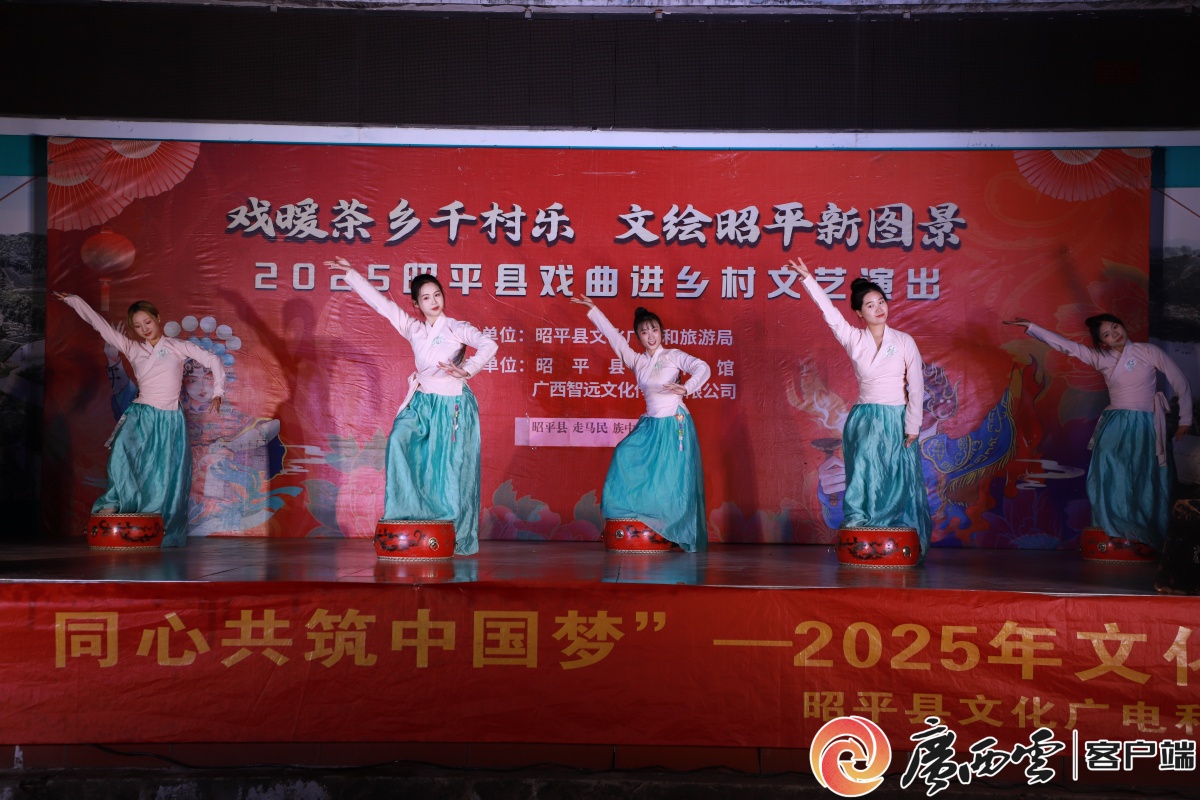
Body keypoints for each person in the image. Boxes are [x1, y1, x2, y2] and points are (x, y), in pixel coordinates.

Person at [325, 258, 498, 555]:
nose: (434, 301)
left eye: (437, 295)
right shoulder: (413, 328)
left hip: (452, 403)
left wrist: (466, 369)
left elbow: (489, 344)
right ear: (417, 304)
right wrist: (352, 274)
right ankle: (405, 512)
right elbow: (382, 305)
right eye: (426, 298)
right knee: (398, 441)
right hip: (421, 401)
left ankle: (452, 532)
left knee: (448, 468)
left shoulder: (456, 328)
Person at [782, 258, 932, 556]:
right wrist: (808, 279)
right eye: (870, 305)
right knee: (864, 472)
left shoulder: (904, 341)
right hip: (865, 418)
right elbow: (829, 312)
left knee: (898, 474)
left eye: (881, 302)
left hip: (897, 416)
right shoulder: (853, 337)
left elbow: (916, 385)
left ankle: (897, 531)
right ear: (860, 313)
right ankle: (862, 526)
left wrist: (913, 424)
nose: (878, 308)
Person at [1004, 313, 1192, 551]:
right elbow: (1067, 346)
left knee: (1145, 474)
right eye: (1107, 334)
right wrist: (1032, 326)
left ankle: (1146, 533)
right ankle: (1114, 528)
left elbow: (1179, 380)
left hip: (1146, 423)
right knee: (1108, 470)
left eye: (1115, 327)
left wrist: (1185, 418)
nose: (1115, 334)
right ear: (1103, 343)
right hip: (1116, 422)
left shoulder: (1148, 351)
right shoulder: (1100, 358)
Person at [55, 292, 225, 547]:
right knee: (121, 452)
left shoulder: (176, 347)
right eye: (137, 326)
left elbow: (213, 359)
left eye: (147, 322)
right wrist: (74, 300)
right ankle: (114, 501)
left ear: (157, 319)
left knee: (163, 472)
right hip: (141, 413)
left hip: (169, 418)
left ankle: (159, 525)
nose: (144, 329)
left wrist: (218, 392)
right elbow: (100, 325)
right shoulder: (132, 348)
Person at [570, 296, 710, 552]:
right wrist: (594, 310)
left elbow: (702, 367)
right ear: (639, 337)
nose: (650, 336)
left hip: (674, 423)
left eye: (654, 329)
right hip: (651, 425)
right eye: (644, 332)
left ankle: (675, 530)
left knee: (672, 478)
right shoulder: (637, 361)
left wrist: (687, 387)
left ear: (661, 332)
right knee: (624, 453)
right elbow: (614, 339)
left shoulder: (673, 356)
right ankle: (641, 517)